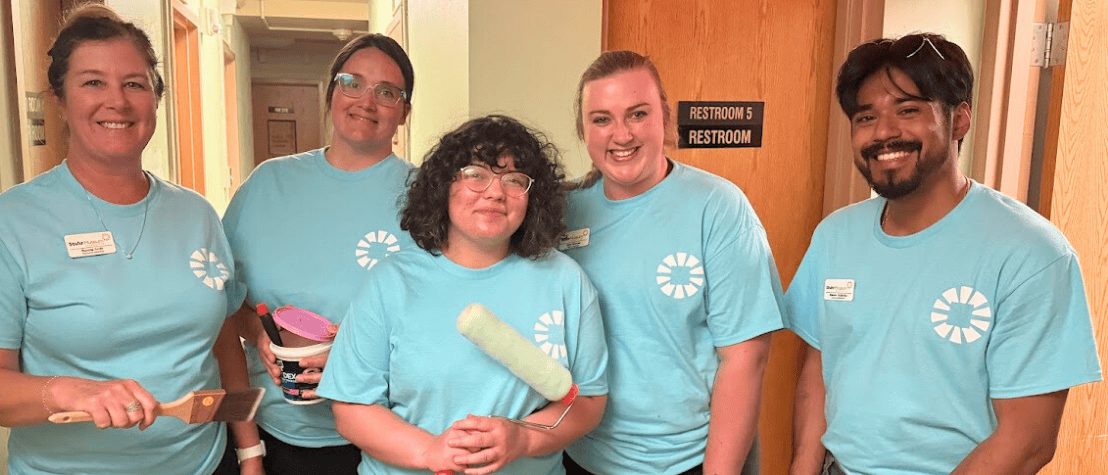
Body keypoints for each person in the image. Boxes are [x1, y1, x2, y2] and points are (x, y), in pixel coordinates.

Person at [0, 5, 261, 474]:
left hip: (206, 462)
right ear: (59, 98)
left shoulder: (197, 214)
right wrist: (69, 391)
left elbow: (222, 337)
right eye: (93, 82)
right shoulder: (3, 228)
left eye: (134, 84)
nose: (117, 101)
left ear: (156, 98)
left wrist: (249, 451)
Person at [786, 33, 1102, 475]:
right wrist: (803, 466)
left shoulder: (1031, 253)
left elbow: (1028, 440)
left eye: (908, 110)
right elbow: (818, 367)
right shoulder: (835, 236)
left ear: (959, 121)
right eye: (865, 117)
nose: (883, 132)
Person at [316, 114, 609, 475]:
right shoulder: (391, 282)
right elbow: (351, 409)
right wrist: (429, 451)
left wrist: (523, 439)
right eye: (476, 175)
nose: (495, 192)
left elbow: (587, 402)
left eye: (514, 180)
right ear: (445, 185)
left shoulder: (566, 281)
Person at [561, 50, 784, 475]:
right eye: (602, 119)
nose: (621, 134)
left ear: (664, 116)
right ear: (584, 131)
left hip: (687, 460)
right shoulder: (564, 211)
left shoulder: (718, 208)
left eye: (638, 114)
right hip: (581, 455)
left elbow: (746, 359)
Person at [223, 33, 416, 474]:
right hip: (273, 432)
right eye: (352, 83)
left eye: (387, 92)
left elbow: (446, 317)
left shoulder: (427, 196)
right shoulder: (268, 184)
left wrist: (357, 356)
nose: (367, 101)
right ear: (331, 92)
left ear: (404, 112)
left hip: (390, 432)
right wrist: (259, 334)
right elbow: (224, 303)